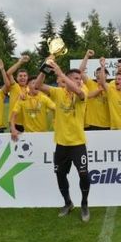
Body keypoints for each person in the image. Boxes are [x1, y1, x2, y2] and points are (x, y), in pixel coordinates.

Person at [34, 60, 91, 222]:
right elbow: (37, 86)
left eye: (80, 78)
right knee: (60, 174)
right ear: (68, 79)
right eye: (75, 78)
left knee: (84, 175)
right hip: (61, 144)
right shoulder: (58, 92)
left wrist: (59, 72)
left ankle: (84, 204)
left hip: (78, 143)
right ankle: (68, 203)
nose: (79, 81)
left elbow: (78, 91)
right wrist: (44, 70)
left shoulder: (83, 91)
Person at [10, 76, 56, 140]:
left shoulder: (44, 98)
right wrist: (13, 129)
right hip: (28, 135)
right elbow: (13, 116)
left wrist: (56, 123)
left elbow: (56, 109)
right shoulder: (23, 99)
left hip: (43, 135)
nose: (37, 85)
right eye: (34, 83)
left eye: (38, 83)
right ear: (28, 85)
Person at [79, 50, 110, 130]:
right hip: (91, 124)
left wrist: (103, 66)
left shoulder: (110, 87)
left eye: (101, 73)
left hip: (106, 124)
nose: (98, 74)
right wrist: (87, 56)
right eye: (97, 73)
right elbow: (80, 72)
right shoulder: (91, 83)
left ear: (106, 75)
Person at [6, 55, 30, 132]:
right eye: (20, 76)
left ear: (27, 77)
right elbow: (9, 73)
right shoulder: (14, 86)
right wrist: (20, 62)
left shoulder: (30, 89)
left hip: (27, 122)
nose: (22, 77)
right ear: (16, 78)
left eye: (25, 76)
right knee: (14, 143)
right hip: (14, 122)